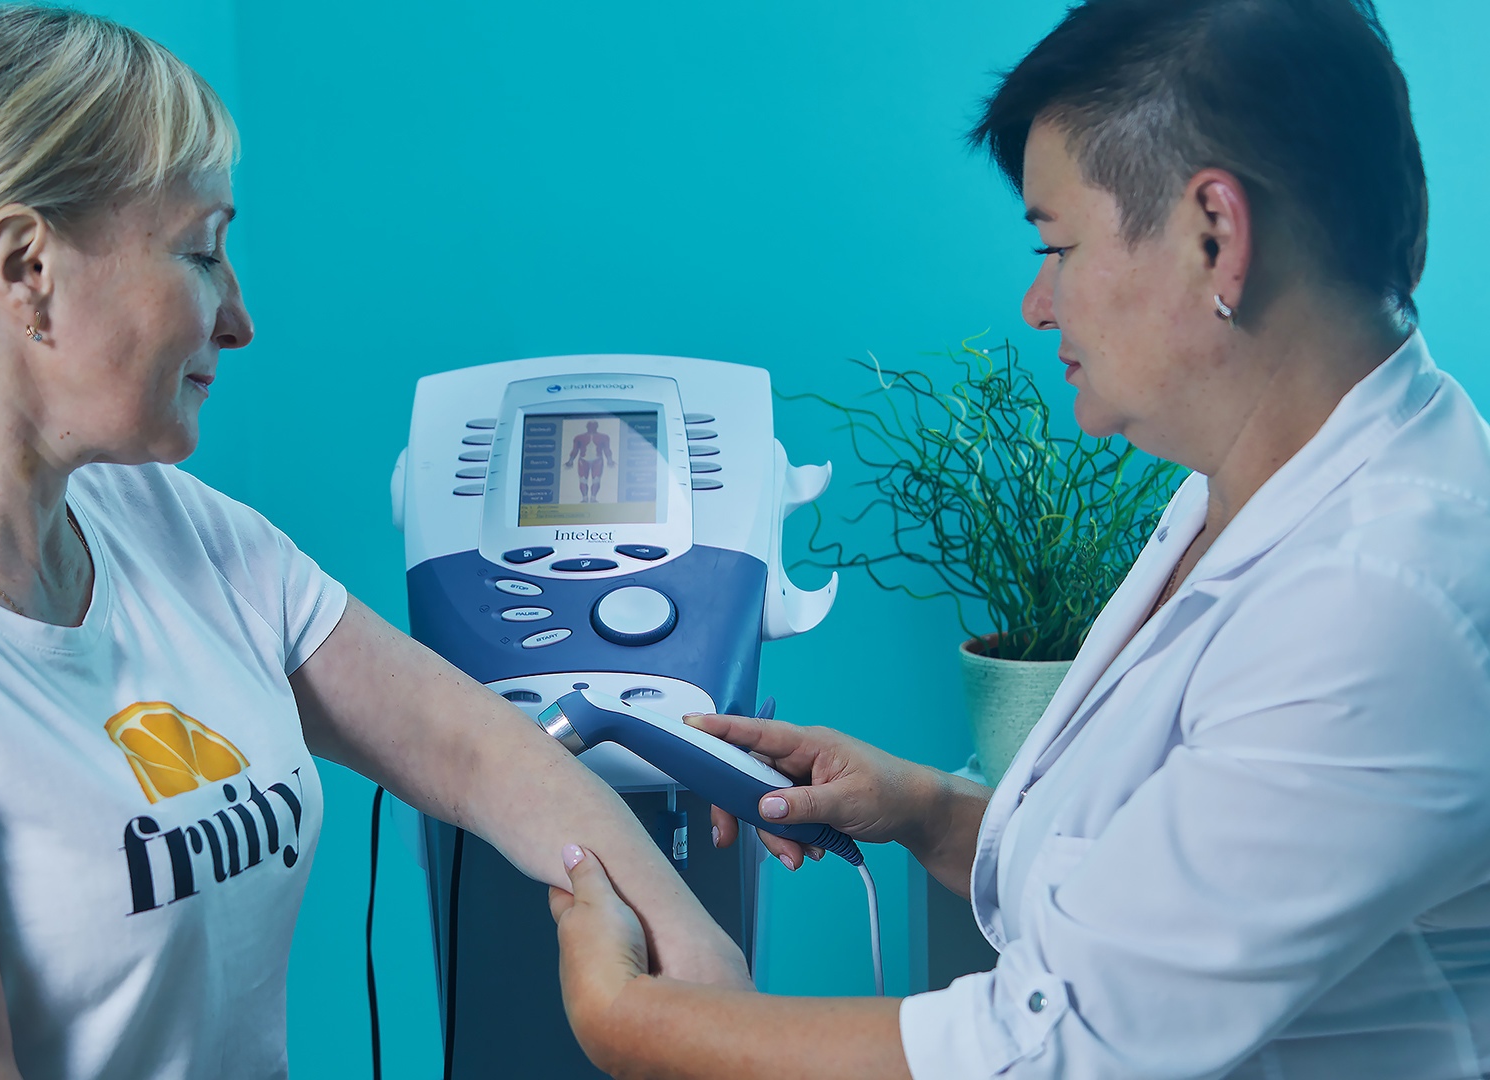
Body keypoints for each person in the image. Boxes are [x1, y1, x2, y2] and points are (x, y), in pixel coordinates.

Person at [0, 8, 748, 1079]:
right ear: (25, 268)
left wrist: (697, 955)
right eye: (201, 253)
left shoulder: (163, 520)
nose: (238, 319)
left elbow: (474, 752)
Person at [548, 0, 1490, 1077]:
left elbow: (1053, 1046)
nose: (1038, 304)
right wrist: (926, 809)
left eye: (1058, 247)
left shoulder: (1382, 600)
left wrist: (629, 1020)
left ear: (1216, 237)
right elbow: (1177, 892)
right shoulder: (1245, 491)